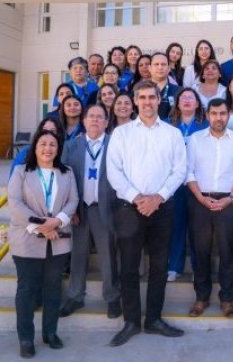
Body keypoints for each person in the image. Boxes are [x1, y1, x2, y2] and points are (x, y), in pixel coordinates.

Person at [106, 80, 187, 346]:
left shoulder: (172, 134)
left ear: (159, 100)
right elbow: (114, 171)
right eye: (142, 97)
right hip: (130, 209)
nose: (147, 102)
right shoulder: (122, 133)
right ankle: (131, 321)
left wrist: (158, 197)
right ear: (135, 101)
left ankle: (153, 319)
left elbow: (179, 170)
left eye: (152, 97)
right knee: (129, 267)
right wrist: (137, 198)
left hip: (162, 208)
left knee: (159, 267)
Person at [8, 129, 78, 358]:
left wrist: (57, 222)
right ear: (35, 148)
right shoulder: (21, 172)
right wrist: (42, 227)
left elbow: (73, 201)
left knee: (53, 289)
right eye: (43, 144)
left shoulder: (67, 173)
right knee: (27, 290)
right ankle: (26, 338)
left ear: (58, 149)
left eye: (52, 144)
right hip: (27, 240)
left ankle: (50, 332)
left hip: (58, 241)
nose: (48, 148)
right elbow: (15, 204)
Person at [186, 98, 233, 319]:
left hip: (228, 201)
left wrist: (230, 198)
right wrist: (200, 198)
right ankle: (201, 298)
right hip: (200, 200)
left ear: (228, 115)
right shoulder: (195, 140)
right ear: (207, 115)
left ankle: (227, 300)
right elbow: (188, 172)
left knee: (227, 251)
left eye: (222, 113)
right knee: (200, 251)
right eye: (214, 114)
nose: (218, 118)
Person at [59, 104, 121, 320]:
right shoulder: (71, 146)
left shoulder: (115, 144)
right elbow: (64, 179)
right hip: (79, 209)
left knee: (108, 255)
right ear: (84, 121)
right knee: (77, 254)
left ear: (106, 122)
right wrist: (69, 209)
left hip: (105, 207)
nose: (95, 120)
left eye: (99, 117)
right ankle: (75, 296)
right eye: (91, 116)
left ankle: (112, 297)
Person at [166, 88, 208, 282]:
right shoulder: (167, 125)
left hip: (199, 182)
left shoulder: (205, 125)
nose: (187, 100)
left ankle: (199, 269)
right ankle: (174, 266)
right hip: (174, 183)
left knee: (198, 228)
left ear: (198, 103)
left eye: (191, 98)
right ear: (177, 103)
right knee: (175, 225)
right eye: (183, 97)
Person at [149, 52, 180, 120]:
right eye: (156, 64)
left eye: (163, 64)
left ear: (168, 68)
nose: (160, 67)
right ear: (150, 68)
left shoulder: (179, 91)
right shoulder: (140, 90)